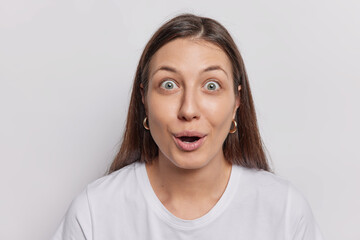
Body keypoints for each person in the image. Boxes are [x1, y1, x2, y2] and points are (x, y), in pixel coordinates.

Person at [51, 14, 324, 239]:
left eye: (211, 86)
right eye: (168, 85)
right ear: (144, 99)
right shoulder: (94, 211)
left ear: (237, 101)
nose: (189, 110)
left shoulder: (285, 211)